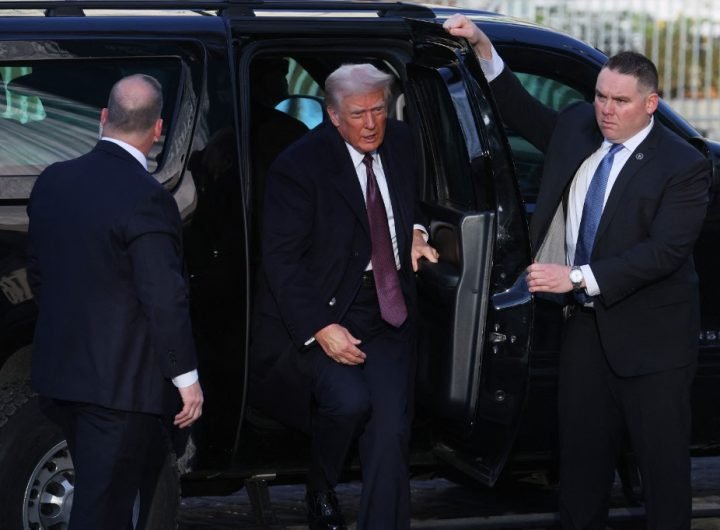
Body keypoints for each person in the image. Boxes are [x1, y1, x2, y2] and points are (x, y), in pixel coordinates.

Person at [444, 14, 711, 529]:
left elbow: (664, 252)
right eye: (601, 97)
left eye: (620, 101)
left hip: (653, 343)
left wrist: (577, 278)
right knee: (581, 470)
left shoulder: (683, 164)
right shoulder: (578, 126)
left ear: (650, 104)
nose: (606, 110)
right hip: (585, 333)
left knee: (664, 479)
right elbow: (519, 111)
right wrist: (481, 46)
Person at [248, 63, 438, 530]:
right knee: (351, 402)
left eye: (378, 110)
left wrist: (413, 232)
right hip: (330, 306)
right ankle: (320, 483)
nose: (371, 124)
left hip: (389, 306)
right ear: (332, 115)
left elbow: (409, 201)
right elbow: (281, 260)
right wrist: (320, 326)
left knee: (391, 432)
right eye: (357, 114)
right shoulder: (299, 166)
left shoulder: (401, 141)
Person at [27, 74, 203, 530]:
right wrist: (186, 379)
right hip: (121, 388)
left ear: (104, 118)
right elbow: (164, 297)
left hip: (61, 376)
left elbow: (41, 275)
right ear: (158, 129)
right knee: (104, 509)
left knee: (104, 497)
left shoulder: (52, 181)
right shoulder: (148, 198)